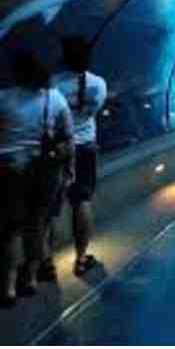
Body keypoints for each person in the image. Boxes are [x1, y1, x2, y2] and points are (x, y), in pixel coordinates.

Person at [0, 50, 74, 307]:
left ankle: (8, 287)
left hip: (10, 171)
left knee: (8, 231)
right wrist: (70, 168)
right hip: (45, 170)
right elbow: (68, 136)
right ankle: (30, 279)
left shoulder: (4, 98)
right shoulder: (55, 98)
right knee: (36, 226)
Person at [52, 35, 107, 277]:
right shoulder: (98, 84)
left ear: (64, 57)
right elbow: (94, 111)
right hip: (84, 147)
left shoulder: (53, 85)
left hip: (59, 149)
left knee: (49, 208)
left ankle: (45, 263)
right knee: (81, 201)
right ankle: (81, 259)